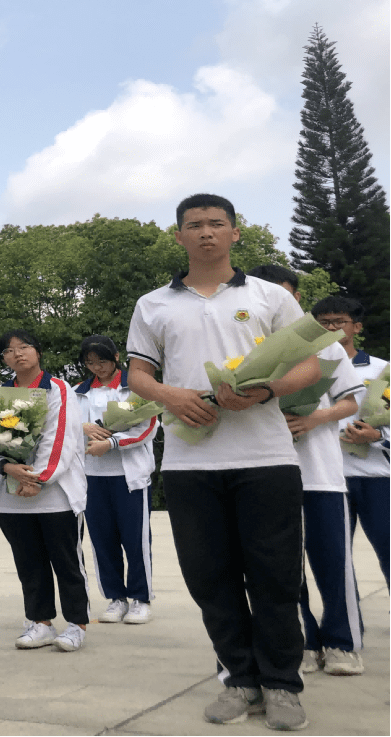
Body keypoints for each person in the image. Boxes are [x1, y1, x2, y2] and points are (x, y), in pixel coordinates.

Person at [127, 194, 320, 731]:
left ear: (236, 233)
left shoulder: (269, 296)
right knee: (209, 577)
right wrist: (172, 396)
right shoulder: (153, 304)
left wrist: (266, 391)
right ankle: (240, 679)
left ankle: (282, 685)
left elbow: (310, 365)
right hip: (191, 462)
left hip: (265, 456)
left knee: (275, 576)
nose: (206, 233)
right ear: (179, 236)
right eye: (195, 225)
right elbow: (139, 375)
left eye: (217, 224)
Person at [249, 267, 366, 677]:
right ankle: (299, 641)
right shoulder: (247, 349)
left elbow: (351, 401)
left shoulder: (326, 346)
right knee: (280, 569)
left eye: (284, 296)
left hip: (320, 474)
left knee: (332, 563)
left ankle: (341, 643)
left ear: (296, 298)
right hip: (266, 473)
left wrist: (315, 419)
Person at [0, 329, 90, 652]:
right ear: (2, 360)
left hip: (55, 494)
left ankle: (76, 623)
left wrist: (37, 478)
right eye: (9, 351)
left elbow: (61, 439)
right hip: (10, 495)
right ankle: (39, 621)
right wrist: (6, 468)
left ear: (38, 351)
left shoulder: (57, 389)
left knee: (66, 561)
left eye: (24, 346)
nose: (18, 354)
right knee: (28, 561)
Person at [74, 335, 157, 626]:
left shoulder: (133, 389)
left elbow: (147, 427)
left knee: (135, 540)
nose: (97, 367)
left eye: (103, 361)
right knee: (102, 540)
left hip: (129, 475)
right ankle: (115, 598)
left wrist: (111, 444)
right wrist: (80, 426)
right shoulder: (77, 393)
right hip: (92, 477)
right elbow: (63, 431)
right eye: (90, 362)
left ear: (117, 357)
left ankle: (141, 598)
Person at [311, 295, 391, 593]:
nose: (331, 328)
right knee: (334, 555)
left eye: (339, 322)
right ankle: (346, 617)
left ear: (356, 327)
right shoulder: (302, 372)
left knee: (388, 546)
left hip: (376, 478)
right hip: (326, 477)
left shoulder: (382, 371)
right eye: (324, 323)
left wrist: (377, 437)